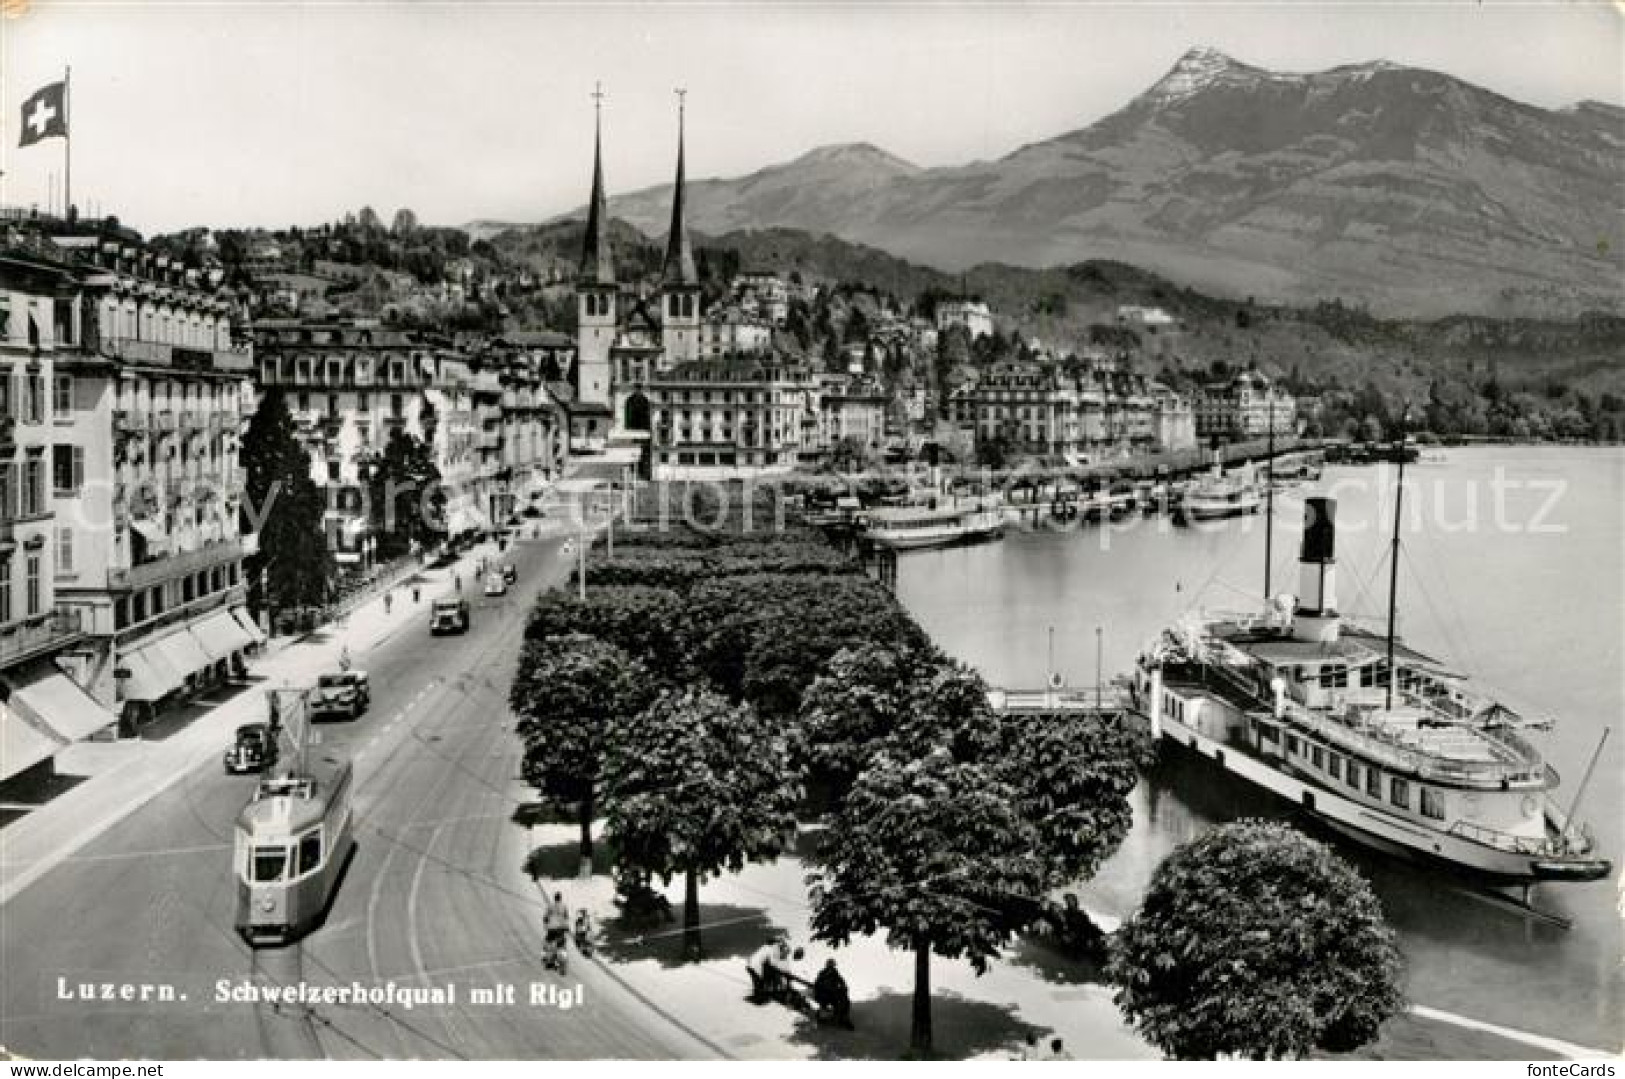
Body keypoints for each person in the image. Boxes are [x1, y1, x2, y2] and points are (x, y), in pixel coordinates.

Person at [812, 958, 854, 1030]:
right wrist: (822, 991)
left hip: (833, 994)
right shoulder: (822, 974)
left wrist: (843, 987)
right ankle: (823, 1017)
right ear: (827, 965)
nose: (831, 967)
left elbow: (842, 982)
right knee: (825, 1002)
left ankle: (843, 1018)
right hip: (823, 995)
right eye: (830, 966)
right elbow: (817, 985)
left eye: (832, 966)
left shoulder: (835, 973)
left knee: (845, 1001)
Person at [543, 891, 571, 967]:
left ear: (554, 898)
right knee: (562, 942)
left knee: (548, 941)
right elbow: (567, 917)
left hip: (551, 928)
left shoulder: (550, 906)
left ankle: (547, 958)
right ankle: (561, 956)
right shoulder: (564, 906)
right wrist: (567, 927)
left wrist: (545, 924)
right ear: (560, 898)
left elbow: (545, 917)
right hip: (561, 928)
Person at [745, 938, 777, 1003]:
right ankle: (759, 999)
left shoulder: (763, 947)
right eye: (775, 944)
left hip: (750, 965)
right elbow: (772, 962)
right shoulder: (770, 949)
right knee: (759, 983)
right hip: (756, 967)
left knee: (756, 982)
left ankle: (757, 996)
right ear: (773, 944)